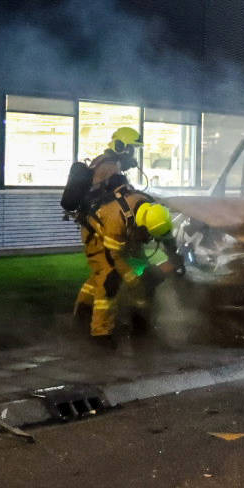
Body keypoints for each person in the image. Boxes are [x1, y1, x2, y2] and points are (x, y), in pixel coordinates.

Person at [73, 127, 149, 348]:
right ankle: (100, 334)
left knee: (99, 272)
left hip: (94, 227)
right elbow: (119, 198)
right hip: (100, 228)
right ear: (121, 147)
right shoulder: (110, 167)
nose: (134, 155)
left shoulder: (101, 162)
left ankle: (81, 316)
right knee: (110, 277)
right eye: (132, 150)